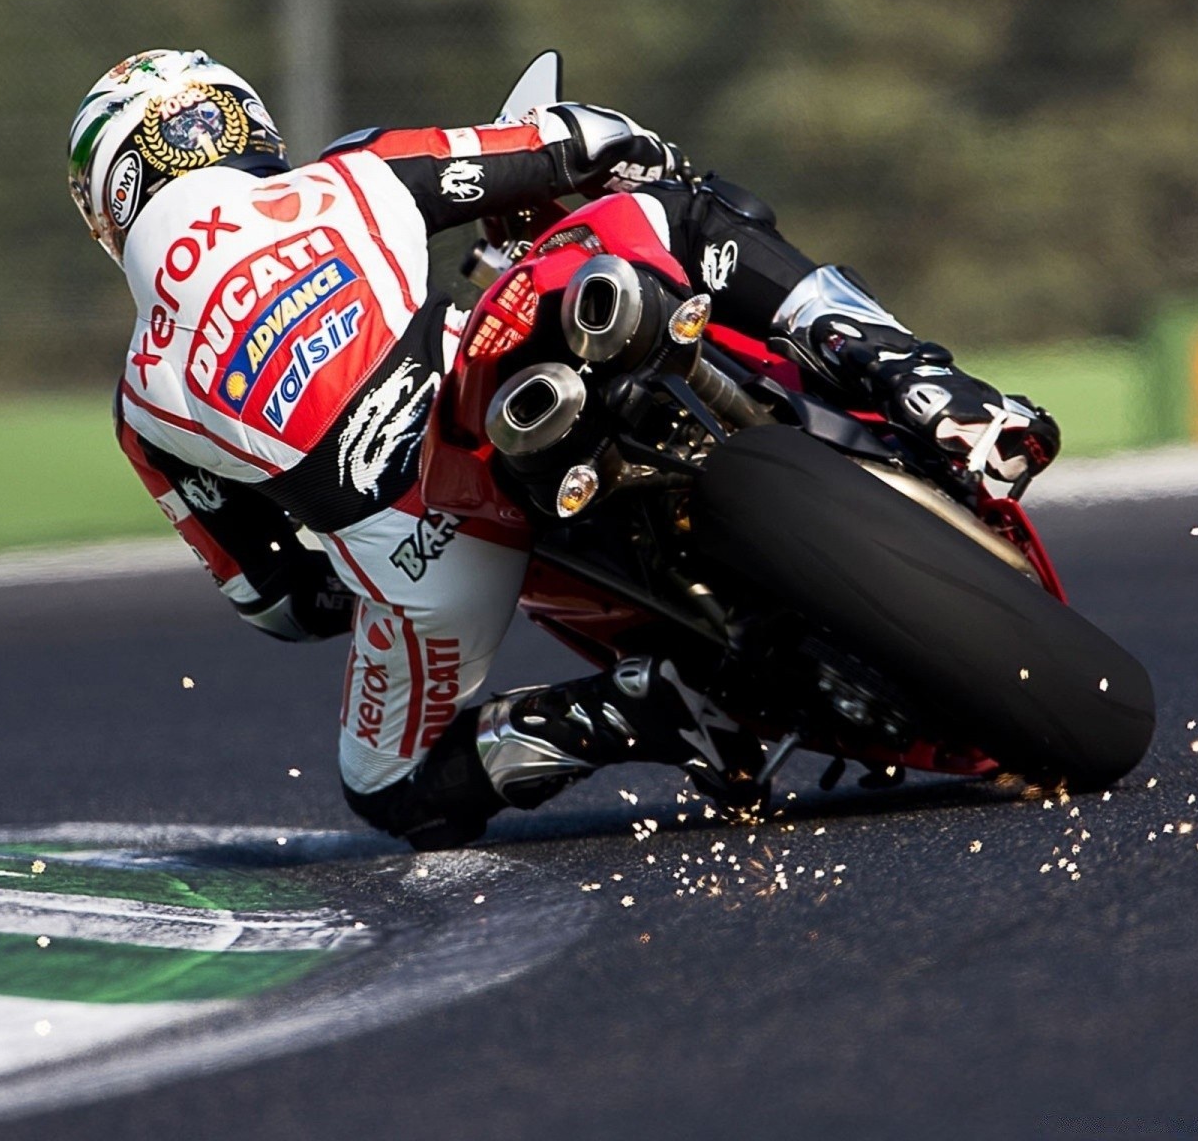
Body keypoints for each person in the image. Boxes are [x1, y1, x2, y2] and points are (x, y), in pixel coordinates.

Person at [68, 49, 1060, 850]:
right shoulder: (347, 177)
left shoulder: (139, 401)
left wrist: (346, 545)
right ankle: (922, 386)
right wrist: (645, 165)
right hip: (490, 370)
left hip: (432, 554)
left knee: (395, 791)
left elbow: (283, 606)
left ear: (110, 208)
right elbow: (576, 141)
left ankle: (640, 708)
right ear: (247, 125)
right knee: (672, 212)